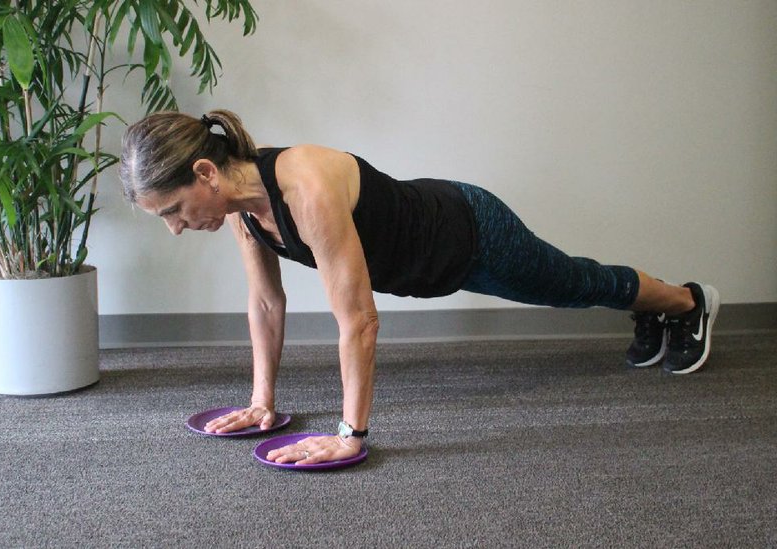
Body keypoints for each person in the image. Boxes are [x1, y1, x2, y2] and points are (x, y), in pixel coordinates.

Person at [119, 110, 720, 465]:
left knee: (574, 284)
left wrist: (349, 437)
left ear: (204, 173)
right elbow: (266, 304)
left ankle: (689, 301)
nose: (175, 228)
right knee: (576, 284)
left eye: (172, 210)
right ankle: (665, 309)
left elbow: (358, 318)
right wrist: (262, 403)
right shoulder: (243, 211)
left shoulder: (304, 188)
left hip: (469, 234)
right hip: (428, 257)